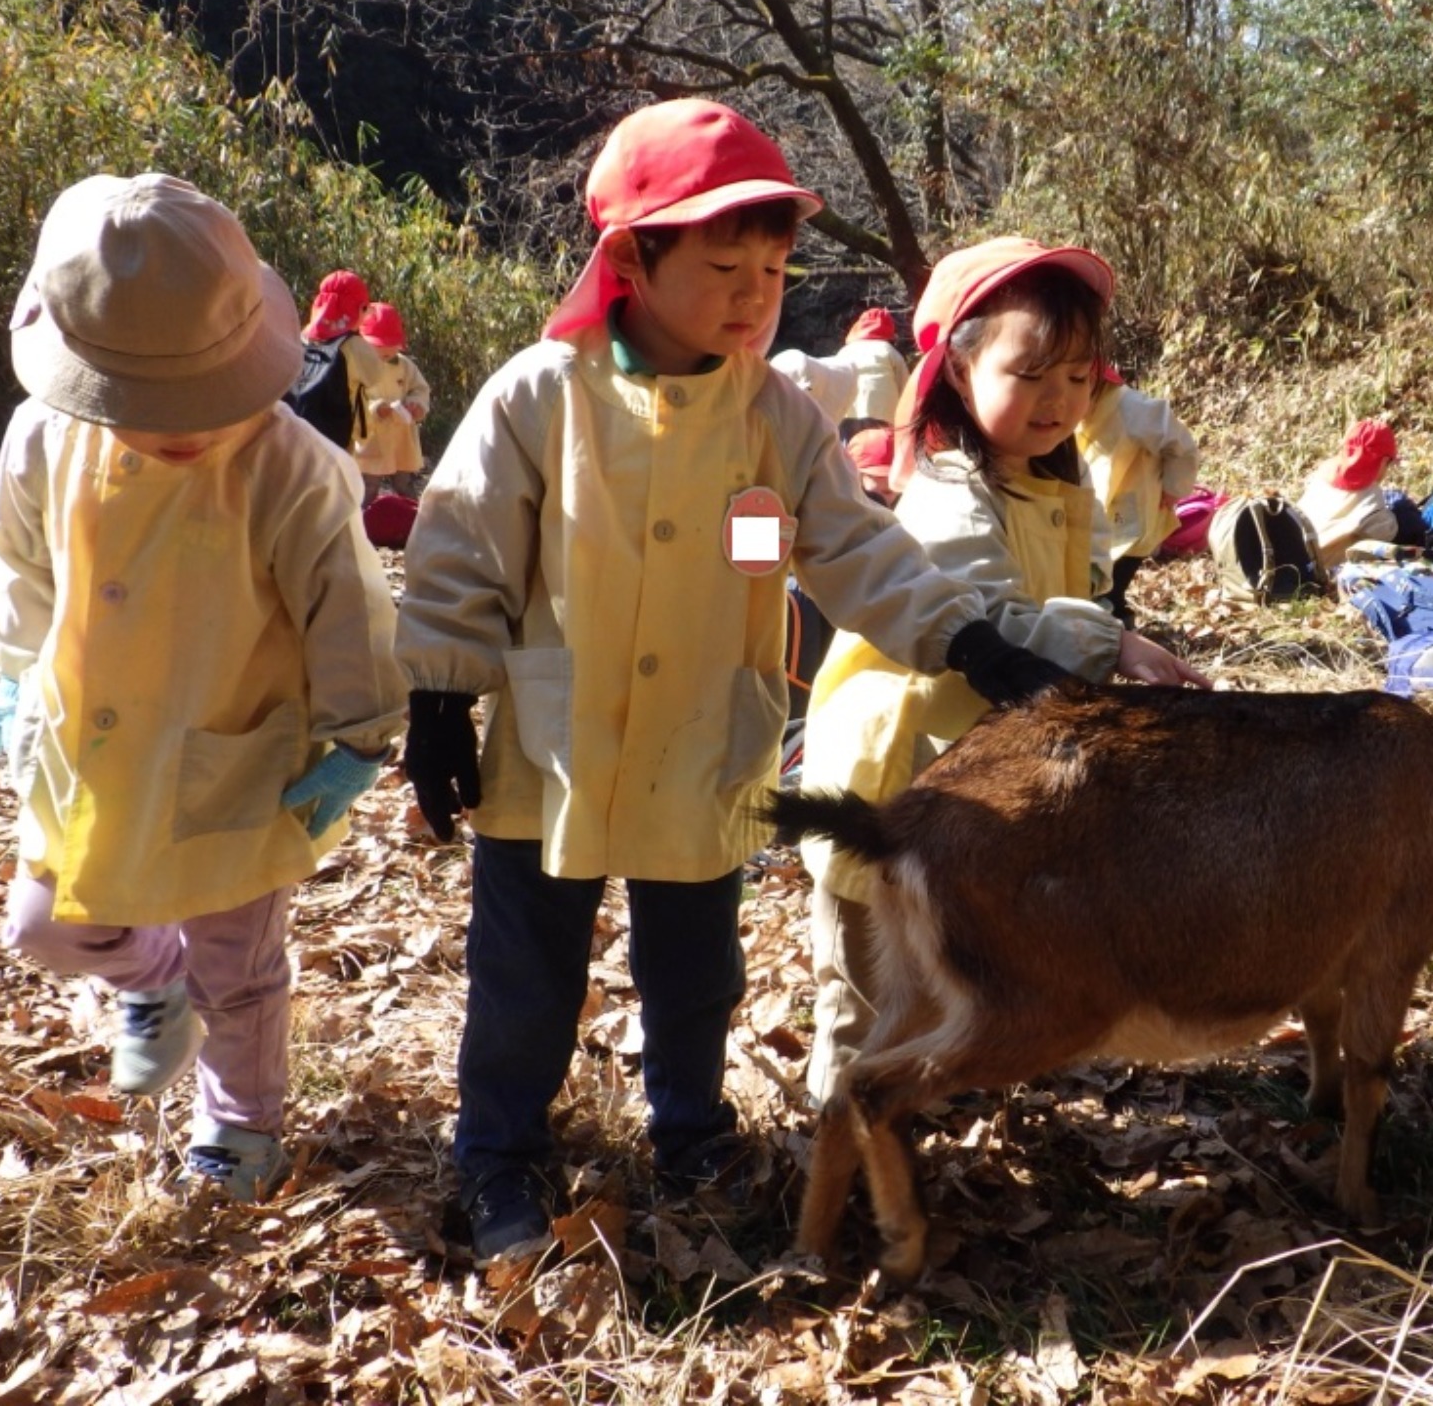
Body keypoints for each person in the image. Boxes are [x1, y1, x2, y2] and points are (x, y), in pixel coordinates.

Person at [391, 100, 1069, 1264]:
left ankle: (691, 1133)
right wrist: (442, 696)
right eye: (721, 265)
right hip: (552, 746)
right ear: (632, 257)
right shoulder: (540, 397)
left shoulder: (769, 414)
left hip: (705, 739)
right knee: (524, 973)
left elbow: (855, 549)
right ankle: (498, 1153)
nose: (755, 293)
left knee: (695, 967)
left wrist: (964, 639)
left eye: (770, 267)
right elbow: (459, 548)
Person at [0, 174, 407, 1203]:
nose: (176, 424)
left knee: (240, 961)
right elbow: (21, 567)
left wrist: (356, 740)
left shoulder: (290, 468)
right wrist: (10, 677)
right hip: (87, 744)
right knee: (45, 925)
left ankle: (238, 1125)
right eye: (145, 403)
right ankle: (151, 976)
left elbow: (349, 607)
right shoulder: (46, 440)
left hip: (237, 750)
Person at [797, 237, 1211, 1106]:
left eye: (1075, 375)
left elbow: (1078, 588)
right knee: (868, 987)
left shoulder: (1055, 488)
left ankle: (910, 1117)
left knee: (946, 970)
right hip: (895, 766)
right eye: (1029, 374)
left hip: (973, 785)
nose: (1058, 400)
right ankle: (829, 1146)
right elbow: (979, 613)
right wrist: (1107, 644)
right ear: (957, 369)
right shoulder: (952, 488)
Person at [1077, 366, 1199, 630]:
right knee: (1094, 581)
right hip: (1096, 510)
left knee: (1111, 586)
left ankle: (1118, 636)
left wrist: (1173, 487)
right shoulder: (1078, 413)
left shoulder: (1133, 408)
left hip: (1134, 509)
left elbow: (1182, 447)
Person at [288, 270, 385, 453]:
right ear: (354, 310)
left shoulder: (301, 338)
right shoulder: (354, 346)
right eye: (364, 309)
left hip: (294, 431)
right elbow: (375, 375)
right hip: (335, 441)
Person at [1295, 418, 1401, 572]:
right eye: (1389, 463)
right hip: (1315, 569)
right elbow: (1388, 534)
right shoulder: (1372, 501)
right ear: (1383, 461)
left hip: (1292, 551)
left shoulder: (1323, 471)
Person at [350, 302, 430, 503]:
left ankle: (413, 521)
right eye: (378, 346)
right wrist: (376, 408)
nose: (385, 352)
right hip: (372, 438)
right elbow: (351, 399)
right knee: (368, 486)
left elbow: (420, 388)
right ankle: (363, 524)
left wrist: (415, 404)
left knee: (404, 484)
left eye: (390, 347)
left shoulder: (404, 366)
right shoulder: (356, 366)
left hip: (400, 436)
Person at [837, 307, 909, 423]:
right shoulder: (888, 351)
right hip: (884, 417)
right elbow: (906, 388)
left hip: (850, 418)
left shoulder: (844, 352)